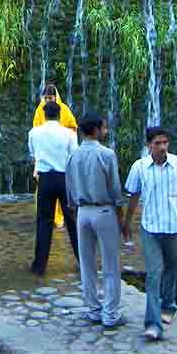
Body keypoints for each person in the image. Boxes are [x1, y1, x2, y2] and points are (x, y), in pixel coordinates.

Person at [123, 126, 177, 341]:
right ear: (148, 145)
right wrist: (126, 222)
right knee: (153, 274)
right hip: (150, 228)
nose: (162, 147)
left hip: (172, 227)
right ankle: (152, 324)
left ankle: (168, 306)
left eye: (165, 142)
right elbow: (133, 196)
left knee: (170, 268)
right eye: (157, 143)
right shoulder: (139, 167)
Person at [64, 110, 126, 327]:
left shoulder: (73, 156)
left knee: (87, 264)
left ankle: (93, 310)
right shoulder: (107, 154)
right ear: (97, 129)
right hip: (104, 210)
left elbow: (69, 190)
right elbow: (116, 190)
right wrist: (121, 218)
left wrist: (75, 210)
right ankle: (110, 314)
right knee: (110, 264)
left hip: (82, 212)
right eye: (104, 127)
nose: (106, 130)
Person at [27, 100, 79, 274]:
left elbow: (33, 154)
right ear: (59, 114)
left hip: (45, 179)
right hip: (65, 178)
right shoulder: (69, 134)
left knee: (44, 222)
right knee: (72, 221)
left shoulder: (34, 133)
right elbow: (74, 157)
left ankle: (39, 266)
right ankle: (83, 260)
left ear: (43, 114)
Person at [31, 83, 78, 229]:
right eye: (46, 98)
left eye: (50, 98)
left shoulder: (64, 110)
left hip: (60, 158)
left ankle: (61, 219)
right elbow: (35, 134)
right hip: (46, 160)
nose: (48, 101)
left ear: (55, 97)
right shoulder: (39, 110)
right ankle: (48, 219)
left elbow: (72, 127)